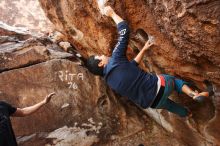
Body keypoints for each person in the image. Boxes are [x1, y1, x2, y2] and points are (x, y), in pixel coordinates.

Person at [86, 6, 214, 117]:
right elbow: (124, 31)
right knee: (174, 82)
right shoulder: (115, 59)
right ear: (101, 64)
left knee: (169, 105)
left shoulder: (110, 81)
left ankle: (186, 114)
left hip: (152, 103)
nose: (102, 55)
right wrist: (112, 13)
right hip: (161, 86)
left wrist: (144, 49)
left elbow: (131, 67)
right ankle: (193, 94)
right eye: (100, 57)